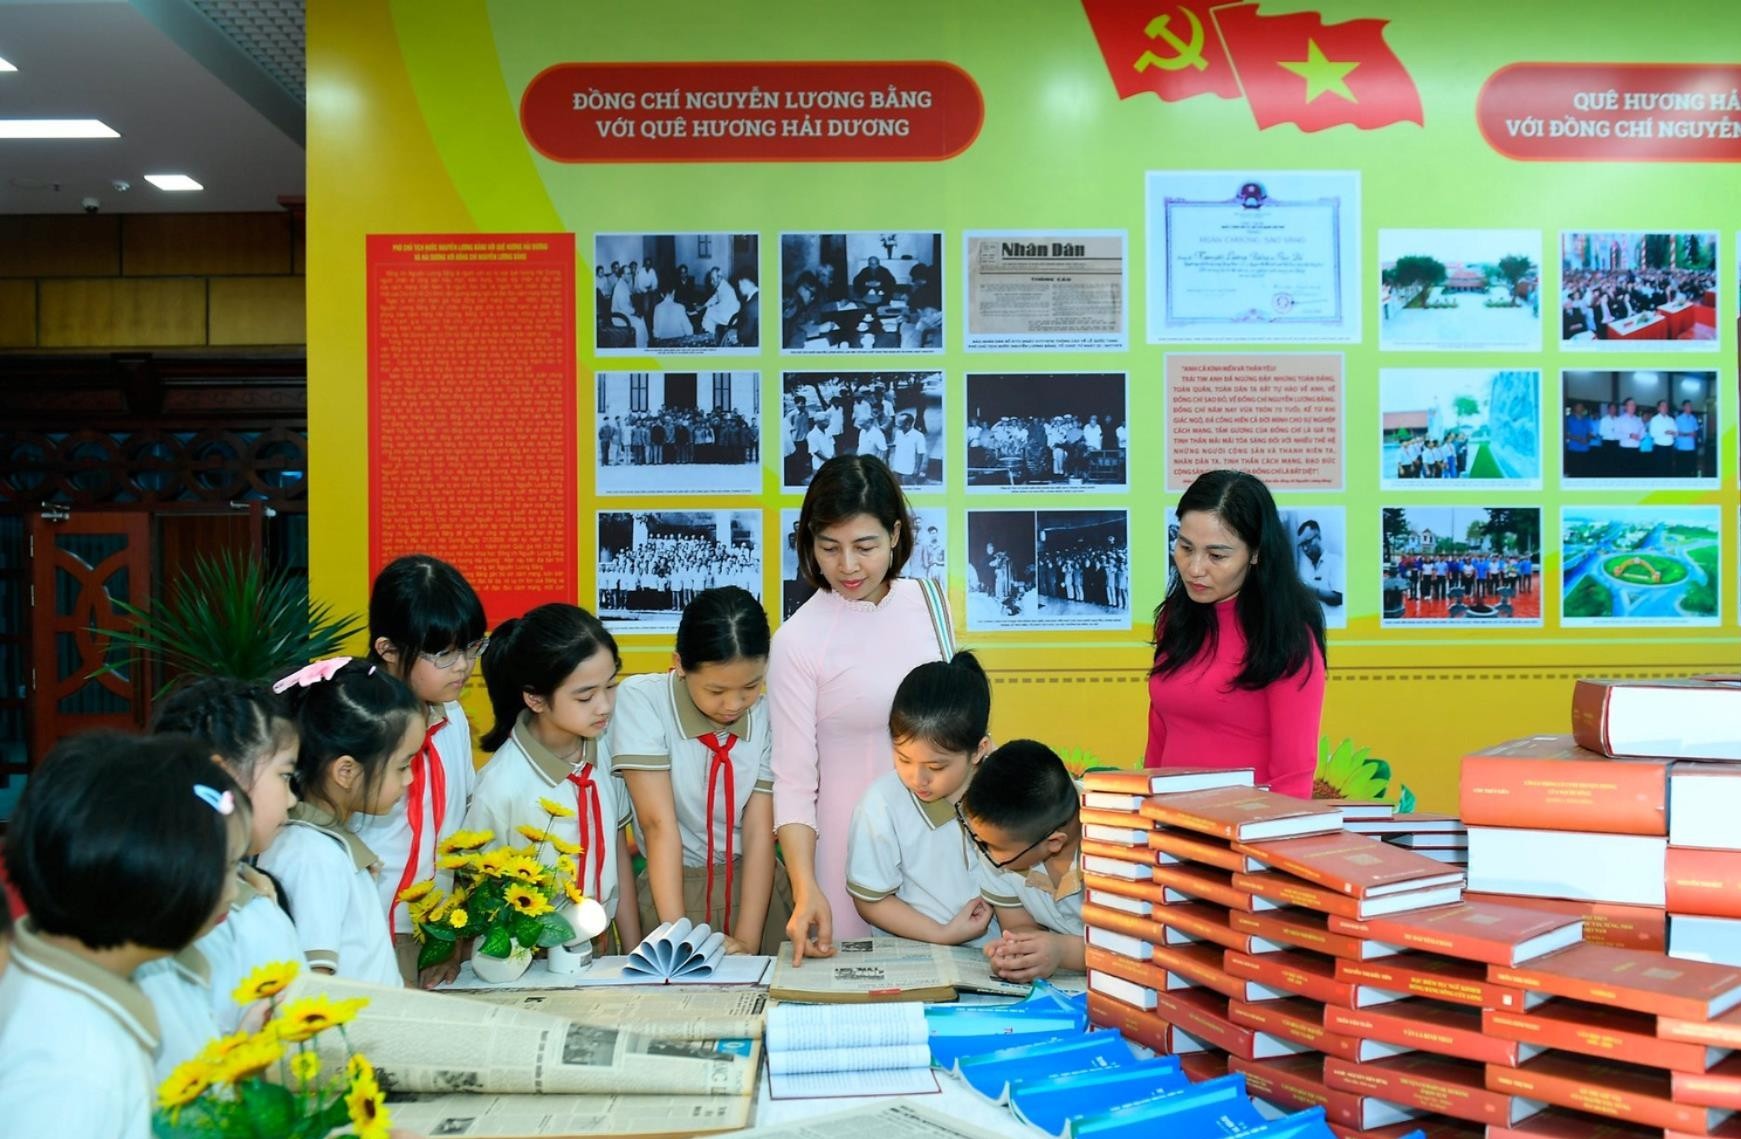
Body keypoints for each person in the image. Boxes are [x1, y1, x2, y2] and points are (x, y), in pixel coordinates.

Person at [0, 733, 248, 1138]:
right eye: (228, 867)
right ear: (156, 872)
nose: (235, 891)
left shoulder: (68, 989)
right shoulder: (76, 1068)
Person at [770, 455, 955, 961]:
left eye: (865, 546)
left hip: (935, 840)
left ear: (895, 535)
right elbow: (792, 780)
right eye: (830, 548)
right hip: (844, 856)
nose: (848, 566)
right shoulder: (798, 641)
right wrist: (807, 887)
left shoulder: (931, 605)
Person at [614, 587, 789, 954]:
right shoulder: (642, 701)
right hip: (673, 891)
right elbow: (657, 826)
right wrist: (678, 941)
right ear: (679, 664)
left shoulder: (768, 712)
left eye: (750, 687)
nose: (734, 704)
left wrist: (747, 941)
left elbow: (759, 832)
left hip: (756, 890)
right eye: (716, 690)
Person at [468, 604, 642, 951]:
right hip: (531, 959)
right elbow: (479, 897)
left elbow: (618, 852)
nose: (604, 705)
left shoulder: (606, 751)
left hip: (604, 948)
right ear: (535, 698)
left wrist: (635, 950)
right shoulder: (500, 787)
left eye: (610, 686)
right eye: (585, 696)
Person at [1146, 470, 1326, 799]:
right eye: (1185, 547)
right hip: (1170, 831)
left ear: (1255, 553)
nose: (1195, 568)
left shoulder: (1285, 636)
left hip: (1243, 834)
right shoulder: (1176, 617)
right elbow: (1160, 735)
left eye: (1217, 556)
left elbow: (1293, 773)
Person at [358, 554, 485, 985]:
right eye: (443, 653)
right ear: (388, 649)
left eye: (471, 647)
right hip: (364, 933)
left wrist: (452, 939)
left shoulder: (453, 719)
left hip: (432, 932)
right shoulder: (356, 725)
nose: (464, 665)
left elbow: (459, 834)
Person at [150, 680, 303, 1033]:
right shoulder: (227, 915)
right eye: (284, 776)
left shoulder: (254, 900)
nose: (292, 799)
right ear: (223, 776)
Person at [260, 658, 422, 986]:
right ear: (346, 771)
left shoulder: (321, 844)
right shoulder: (313, 856)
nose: (409, 780)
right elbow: (316, 985)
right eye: (402, 766)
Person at [846, 653, 995, 946]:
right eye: (903, 759)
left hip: (997, 958)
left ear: (979, 751)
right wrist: (941, 935)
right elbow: (871, 900)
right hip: (918, 953)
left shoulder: (1007, 793)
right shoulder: (882, 804)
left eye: (936, 767)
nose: (917, 778)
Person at [959, 739, 1083, 982]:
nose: (981, 849)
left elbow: (1139, 950)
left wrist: (1063, 952)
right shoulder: (1003, 839)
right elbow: (1018, 923)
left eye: (992, 847)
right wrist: (1019, 950)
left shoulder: (1123, 845)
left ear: (1054, 843)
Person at [1295, 519, 1343, 613]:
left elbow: (1340, 598)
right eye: (1302, 545)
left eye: (1308, 542)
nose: (1305, 548)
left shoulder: (1335, 561)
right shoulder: (1304, 568)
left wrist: (1311, 591)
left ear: (1318, 536)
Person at [1675, 399, 1702, 478]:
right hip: (1682, 448)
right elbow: (1676, 433)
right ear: (1684, 407)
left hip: (1692, 448)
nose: (1690, 407)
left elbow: (1696, 431)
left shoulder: (1693, 418)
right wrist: (1688, 434)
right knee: (1681, 470)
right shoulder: (1678, 419)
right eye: (1688, 406)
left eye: (1691, 406)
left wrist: (1695, 434)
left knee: (1691, 470)